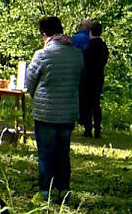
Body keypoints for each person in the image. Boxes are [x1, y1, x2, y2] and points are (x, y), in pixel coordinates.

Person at [24, 16, 84, 201]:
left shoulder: (42, 55)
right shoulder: (76, 54)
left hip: (46, 113)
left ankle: (46, 192)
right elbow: (79, 80)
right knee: (63, 153)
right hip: (68, 112)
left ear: (44, 34)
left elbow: (29, 82)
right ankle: (64, 190)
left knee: (46, 154)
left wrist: (37, 96)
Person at [81, 22, 109, 138]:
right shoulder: (103, 47)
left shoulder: (88, 47)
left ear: (90, 32)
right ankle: (97, 130)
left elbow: (82, 62)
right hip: (98, 77)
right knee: (96, 104)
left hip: (87, 77)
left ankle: (88, 129)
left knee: (86, 103)